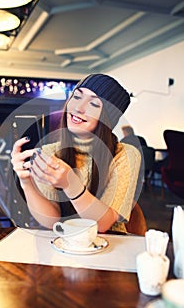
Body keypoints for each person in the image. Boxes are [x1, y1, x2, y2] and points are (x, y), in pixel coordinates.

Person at [11, 74, 141, 233]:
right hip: (63, 243)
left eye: (93, 103)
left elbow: (104, 224)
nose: (78, 108)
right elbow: (50, 219)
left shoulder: (126, 155)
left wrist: (70, 184)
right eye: (77, 96)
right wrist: (26, 181)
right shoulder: (49, 151)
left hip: (109, 246)